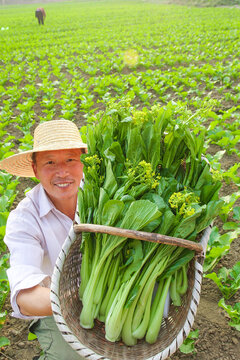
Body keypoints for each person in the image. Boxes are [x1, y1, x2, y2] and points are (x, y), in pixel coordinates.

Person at [0, 120, 87, 360]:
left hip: (118, 301)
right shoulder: (24, 219)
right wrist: (85, 297)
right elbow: (25, 298)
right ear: (35, 169)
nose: (62, 172)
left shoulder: (106, 195)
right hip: (55, 308)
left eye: (70, 160)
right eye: (50, 162)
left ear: (84, 163)